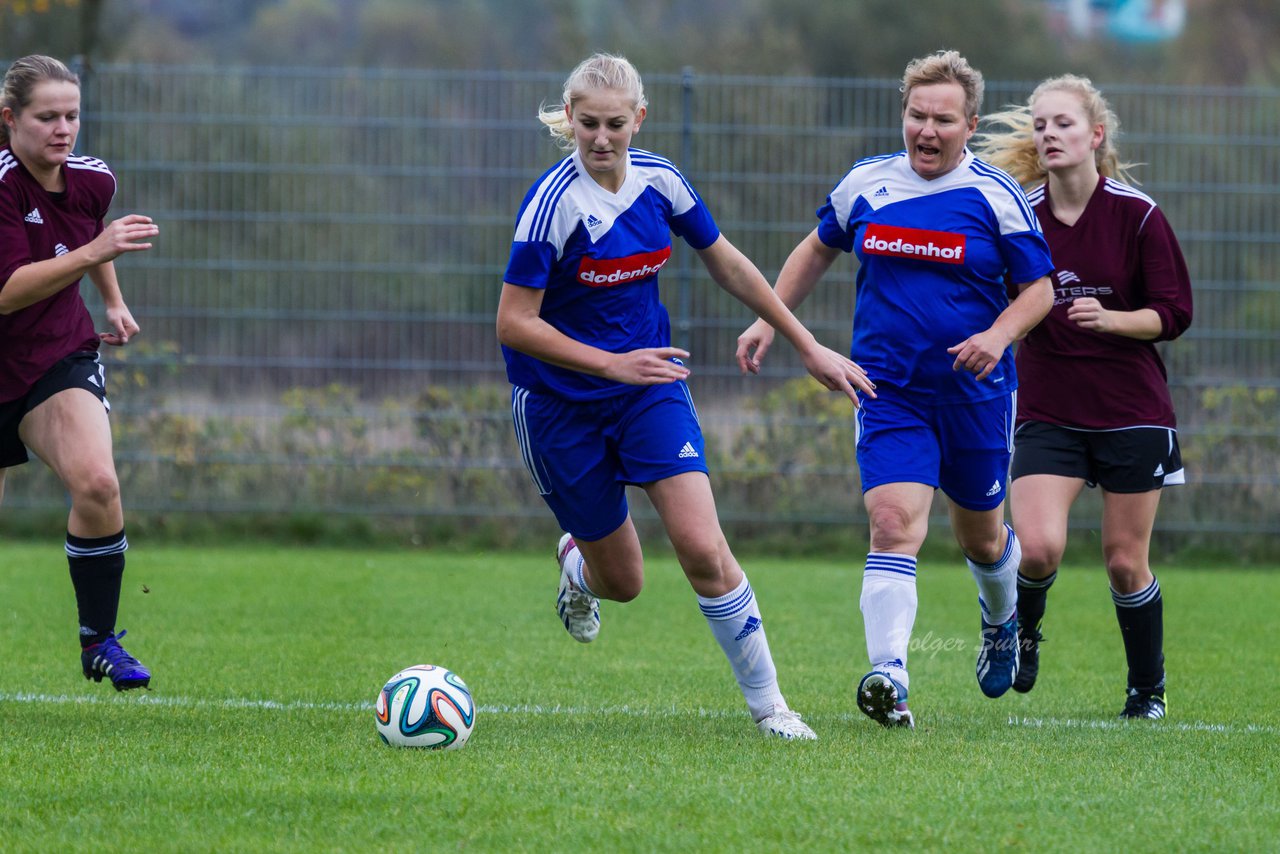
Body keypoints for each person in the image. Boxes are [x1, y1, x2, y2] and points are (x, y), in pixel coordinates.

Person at [497, 53, 875, 740]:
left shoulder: (660, 181)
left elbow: (727, 260)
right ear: (570, 120)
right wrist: (610, 365)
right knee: (625, 583)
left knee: (703, 547)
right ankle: (577, 563)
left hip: (649, 391)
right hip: (558, 406)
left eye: (616, 123)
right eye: (588, 124)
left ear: (638, 118)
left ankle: (772, 708)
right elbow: (514, 324)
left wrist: (807, 343)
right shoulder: (550, 207)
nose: (602, 138)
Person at [737, 50, 1055, 728]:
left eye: (943, 119)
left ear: (969, 124)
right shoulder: (868, 185)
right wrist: (771, 323)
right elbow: (816, 248)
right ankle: (891, 676)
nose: (927, 131)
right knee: (891, 526)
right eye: (917, 116)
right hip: (889, 394)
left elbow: (1040, 291)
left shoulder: (995, 197)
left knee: (983, 541)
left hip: (976, 399)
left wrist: (997, 337)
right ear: (902, 116)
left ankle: (1001, 621)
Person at [974, 75, 1192, 719]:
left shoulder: (1139, 215)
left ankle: (1145, 693)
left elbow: (1175, 312)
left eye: (1062, 124)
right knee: (1037, 547)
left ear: (1096, 135)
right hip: (1049, 409)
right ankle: (1023, 637)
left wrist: (1114, 319)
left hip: (1132, 413)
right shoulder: (1022, 214)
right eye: (1040, 125)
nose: (1047, 135)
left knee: (1126, 564)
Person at [1, 55, 157, 691]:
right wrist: (96, 251)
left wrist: (113, 300)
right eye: (46, 117)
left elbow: (86, 232)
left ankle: (100, 640)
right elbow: (8, 290)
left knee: (97, 482)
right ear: (9, 119)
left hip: (53, 355)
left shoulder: (92, 179)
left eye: (71, 116)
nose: (62, 129)